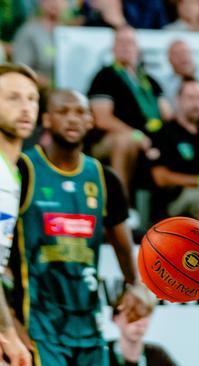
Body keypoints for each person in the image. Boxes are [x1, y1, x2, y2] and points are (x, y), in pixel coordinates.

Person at [11, 89, 139, 366]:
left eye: (80, 112)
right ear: (46, 119)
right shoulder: (22, 169)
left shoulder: (104, 178)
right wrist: (10, 323)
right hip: (38, 326)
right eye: (63, 111)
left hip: (89, 325)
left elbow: (123, 247)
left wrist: (134, 285)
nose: (72, 119)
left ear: (91, 121)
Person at [87, 26, 172, 195]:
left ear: (138, 48)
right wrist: (138, 136)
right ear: (113, 48)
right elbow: (102, 119)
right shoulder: (105, 76)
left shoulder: (149, 81)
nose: (126, 46)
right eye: (121, 42)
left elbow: (168, 115)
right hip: (112, 140)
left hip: (151, 138)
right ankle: (122, 205)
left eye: (131, 42)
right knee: (125, 140)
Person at [0, 63, 39, 366]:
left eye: (32, 98)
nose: (25, 107)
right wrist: (8, 331)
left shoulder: (15, 171)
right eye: (13, 98)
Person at [149, 77, 199, 223]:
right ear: (178, 99)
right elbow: (160, 177)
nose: (196, 103)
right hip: (172, 200)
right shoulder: (164, 132)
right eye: (190, 97)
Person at [109, 286, 177, 366]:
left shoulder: (158, 355)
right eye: (132, 316)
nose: (139, 323)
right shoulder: (99, 354)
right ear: (115, 318)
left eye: (144, 316)